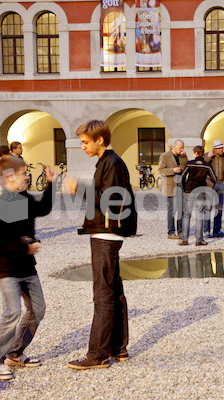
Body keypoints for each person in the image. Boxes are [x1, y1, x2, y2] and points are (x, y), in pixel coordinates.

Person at [66, 120, 137, 370]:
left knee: (103, 294)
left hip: (106, 234)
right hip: (107, 233)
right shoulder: (108, 162)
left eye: (85, 142)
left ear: (100, 140)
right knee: (113, 290)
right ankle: (118, 347)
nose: (82, 146)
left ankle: (98, 354)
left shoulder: (111, 162)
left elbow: (112, 200)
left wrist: (80, 189)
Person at [0, 155, 55, 381]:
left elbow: (42, 209)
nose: (27, 177)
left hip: (26, 267)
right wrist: (24, 248)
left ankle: (15, 354)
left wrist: (51, 184)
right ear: (9, 176)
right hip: (7, 269)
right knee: (12, 312)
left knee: (38, 309)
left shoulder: (22, 198)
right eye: (24, 173)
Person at [180, 146, 217, 246]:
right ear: (202, 153)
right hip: (200, 191)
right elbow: (214, 178)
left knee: (187, 215)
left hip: (189, 190)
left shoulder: (190, 163)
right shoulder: (207, 165)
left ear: (195, 153)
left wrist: (184, 189)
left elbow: (182, 176)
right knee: (200, 215)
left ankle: (184, 239)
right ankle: (199, 240)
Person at [158, 140, 187, 239]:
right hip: (170, 187)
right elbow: (160, 170)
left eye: (183, 147)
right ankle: (170, 232)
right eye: (180, 147)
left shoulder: (180, 156)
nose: (182, 149)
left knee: (180, 210)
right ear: (174, 146)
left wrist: (185, 157)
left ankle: (180, 231)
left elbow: (184, 167)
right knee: (171, 210)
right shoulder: (165, 156)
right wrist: (173, 170)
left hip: (179, 186)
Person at [203, 139, 224, 238]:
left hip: (220, 184)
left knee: (219, 208)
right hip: (209, 185)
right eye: (220, 148)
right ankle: (206, 231)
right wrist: (209, 157)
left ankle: (217, 230)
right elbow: (202, 165)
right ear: (214, 149)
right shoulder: (207, 155)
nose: (222, 149)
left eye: (222, 147)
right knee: (208, 208)